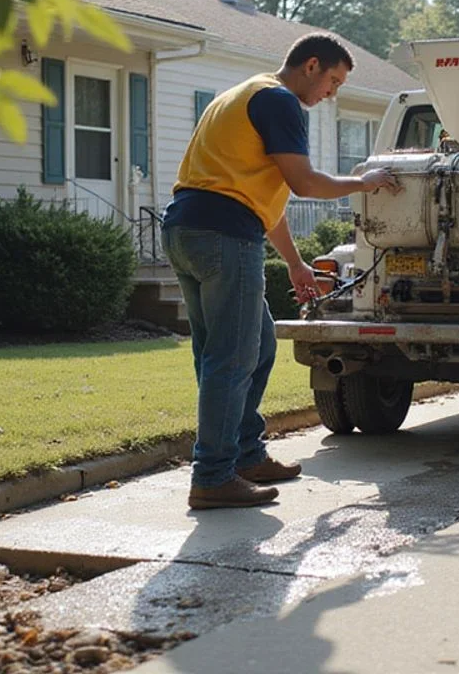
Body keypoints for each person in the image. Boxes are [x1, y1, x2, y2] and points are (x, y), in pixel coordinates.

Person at [163, 32, 399, 511]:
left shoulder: (243, 94)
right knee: (231, 358)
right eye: (332, 80)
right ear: (311, 65)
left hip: (188, 229)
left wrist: (294, 263)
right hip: (225, 233)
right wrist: (365, 183)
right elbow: (305, 182)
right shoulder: (280, 101)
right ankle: (213, 475)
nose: (331, 93)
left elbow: (269, 200)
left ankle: (245, 455)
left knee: (254, 345)